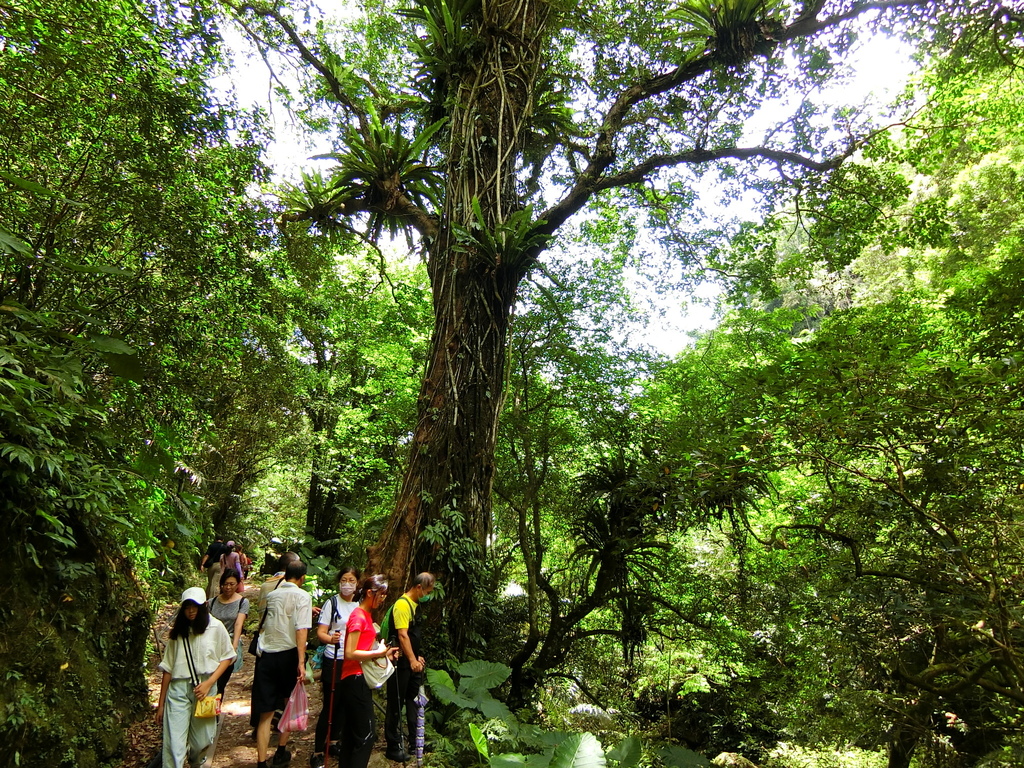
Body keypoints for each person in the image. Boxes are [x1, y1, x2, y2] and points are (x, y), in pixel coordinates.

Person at [155, 587, 235, 768]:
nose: (191, 611)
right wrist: (161, 704)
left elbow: (227, 656)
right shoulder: (178, 633)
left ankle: (196, 763)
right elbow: (167, 668)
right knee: (174, 745)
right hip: (178, 691)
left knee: (201, 742)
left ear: (204, 606)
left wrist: (209, 683)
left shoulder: (216, 627)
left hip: (205, 690)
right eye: (187, 607)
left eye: (195, 606)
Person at [253, 559, 313, 768]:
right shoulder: (303, 596)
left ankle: (261, 762)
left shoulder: (272, 595)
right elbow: (301, 629)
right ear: (302, 578)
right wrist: (301, 662)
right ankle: (280, 751)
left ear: (285, 574)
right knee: (289, 704)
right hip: (288, 655)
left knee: (266, 713)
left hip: (267, 655)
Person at [336, 575, 399, 768]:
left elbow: (362, 649)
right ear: (370, 593)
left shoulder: (365, 616)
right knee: (366, 735)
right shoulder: (358, 616)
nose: (382, 599)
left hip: (355, 678)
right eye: (381, 595)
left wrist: (384, 654)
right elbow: (350, 652)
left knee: (351, 734)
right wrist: (377, 652)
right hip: (355, 679)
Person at [309, 566, 361, 768]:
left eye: (352, 580)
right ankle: (318, 751)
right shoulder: (332, 603)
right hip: (334, 659)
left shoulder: (358, 605)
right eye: (344, 580)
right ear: (339, 581)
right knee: (330, 706)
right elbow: (321, 631)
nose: (347, 584)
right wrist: (331, 638)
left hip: (352, 660)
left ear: (357, 583)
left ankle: (334, 741)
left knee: (343, 705)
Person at [384, 572, 436, 761]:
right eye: (428, 591)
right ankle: (393, 745)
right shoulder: (402, 605)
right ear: (419, 587)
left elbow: (413, 637)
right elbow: (403, 635)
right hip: (400, 663)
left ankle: (416, 742)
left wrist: (417, 657)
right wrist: (412, 660)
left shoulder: (415, 605)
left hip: (412, 663)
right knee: (395, 704)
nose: (428, 595)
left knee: (414, 701)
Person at [207, 568, 249, 696]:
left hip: (228, 645)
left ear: (237, 584)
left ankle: (215, 710)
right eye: (225, 584)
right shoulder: (212, 602)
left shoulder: (242, 602)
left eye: (232, 584)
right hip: (212, 646)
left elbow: (238, 624)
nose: (228, 587)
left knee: (220, 683)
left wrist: (234, 646)